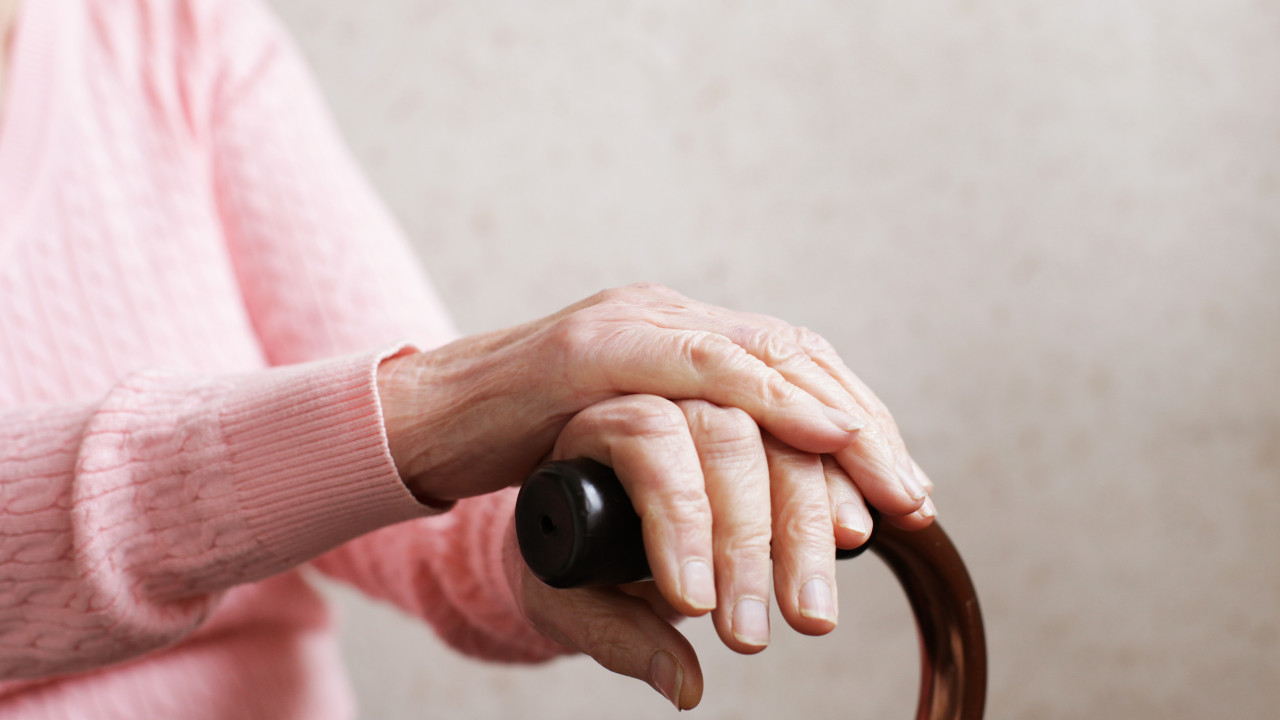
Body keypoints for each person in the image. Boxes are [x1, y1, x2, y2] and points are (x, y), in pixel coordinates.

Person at [0, 0, 934, 716]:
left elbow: (422, 501)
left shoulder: (172, 28)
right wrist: (428, 409)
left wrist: (592, 495)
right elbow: (412, 428)